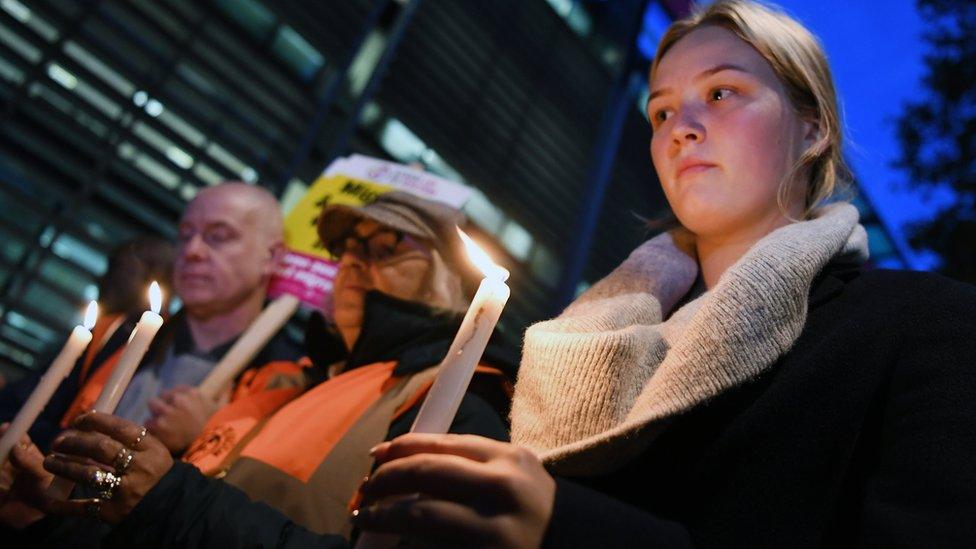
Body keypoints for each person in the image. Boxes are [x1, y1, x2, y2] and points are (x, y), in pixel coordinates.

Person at [343, 1, 975, 547]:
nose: (681, 130)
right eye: (661, 113)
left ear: (812, 129)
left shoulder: (924, 326)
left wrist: (568, 529)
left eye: (722, 93)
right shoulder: (575, 341)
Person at [1, 191, 515, 546]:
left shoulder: (461, 408)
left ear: (462, 287)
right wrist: (41, 521)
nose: (356, 261)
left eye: (386, 249)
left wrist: (169, 497)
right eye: (348, 248)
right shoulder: (296, 382)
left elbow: (174, 507)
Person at [1, 182, 304, 458]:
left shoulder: (285, 382)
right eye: (185, 235)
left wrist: (205, 437)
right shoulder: (116, 334)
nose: (192, 251)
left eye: (218, 236)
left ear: (273, 258)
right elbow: (21, 415)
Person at [0, 235, 175, 451]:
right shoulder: (107, 327)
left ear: (152, 274)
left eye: (116, 267)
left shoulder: (162, 348)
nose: (102, 278)